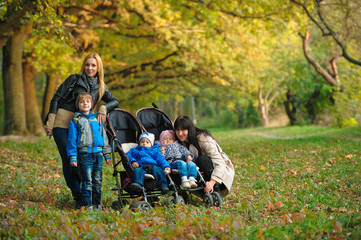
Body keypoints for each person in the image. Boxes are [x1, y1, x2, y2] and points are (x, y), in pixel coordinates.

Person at [44, 53, 119, 208]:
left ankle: (84, 194)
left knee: (83, 162)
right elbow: (56, 98)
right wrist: (50, 123)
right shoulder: (74, 79)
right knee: (69, 160)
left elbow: (115, 101)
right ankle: (78, 196)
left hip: (84, 129)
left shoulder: (101, 87)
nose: (90, 68)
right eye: (87, 64)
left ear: (98, 68)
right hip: (63, 124)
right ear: (83, 66)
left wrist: (103, 108)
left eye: (93, 65)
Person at [67, 93, 111, 209]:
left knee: (97, 180)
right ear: (78, 105)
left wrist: (107, 154)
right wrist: (73, 157)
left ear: (91, 104)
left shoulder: (97, 120)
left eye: (87, 102)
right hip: (84, 154)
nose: (85, 104)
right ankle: (87, 205)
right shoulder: (76, 120)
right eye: (82, 102)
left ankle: (97, 204)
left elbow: (104, 138)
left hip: (98, 154)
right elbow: (71, 139)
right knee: (87, 181)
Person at [173, 116, 235, 197]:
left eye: (183, 130)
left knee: (201, 160)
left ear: (189, 129)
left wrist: (212, 182)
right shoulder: (180, 142)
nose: (180, 133)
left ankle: (216, 191)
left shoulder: (203, 139)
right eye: (177, 130)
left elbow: (220, 163)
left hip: (220, 178)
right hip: (199, 175)